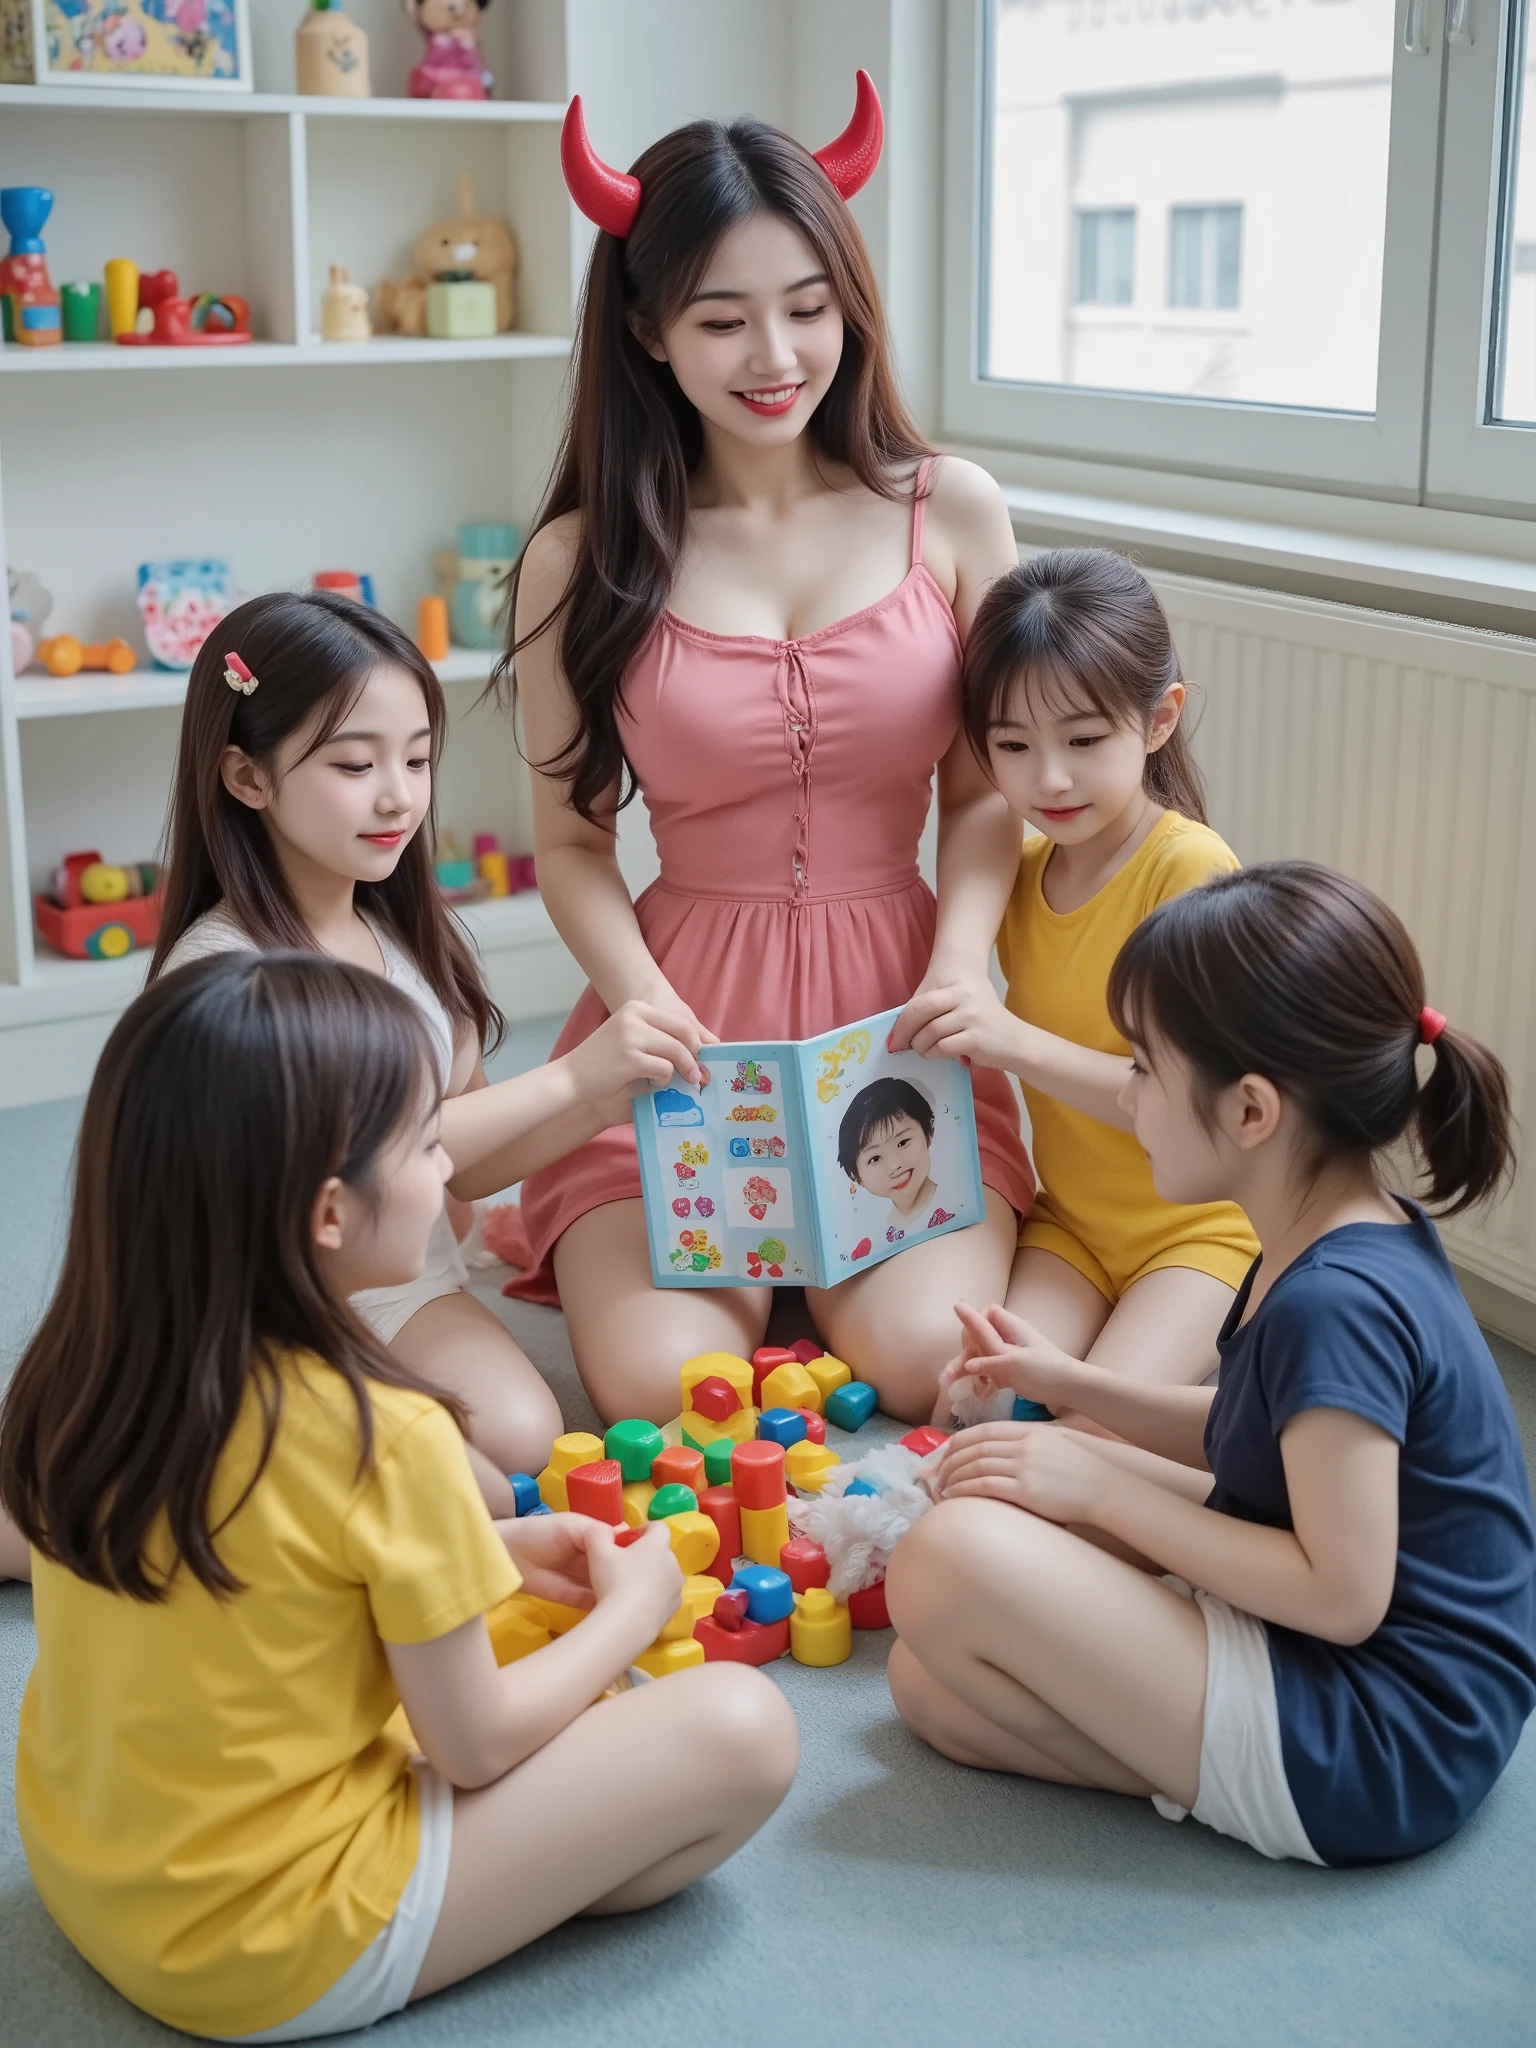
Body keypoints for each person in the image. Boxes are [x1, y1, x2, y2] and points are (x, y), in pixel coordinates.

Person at [0, 953, 797, 2039]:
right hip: (268, 1943)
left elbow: (255, 1576)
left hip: (89, 1864)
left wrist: (498, 1551)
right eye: (428, 1143)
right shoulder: (386, 1432)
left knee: (515, 1634)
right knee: (743, 1728)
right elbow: (474, 1745)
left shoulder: (79, 1368)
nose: (448, 1172)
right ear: (330, 1212)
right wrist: (635, 1606)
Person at [504, 79, 1035, 1424]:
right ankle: (753, 1276)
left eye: (808, 305)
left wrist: (964, 961)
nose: (776, 353)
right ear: (648, 330)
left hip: (898, 1020)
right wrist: (636, 1007)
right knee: (681, 1395)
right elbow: (568, 840)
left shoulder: (950, 509)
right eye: (722, 318)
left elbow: (984, 796)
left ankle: (823, 1278)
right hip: (683, 1039)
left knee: (926, 1366)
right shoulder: (581, 557)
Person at [886, 862, 1536, 1867]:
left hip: (1385, 1732)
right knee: (929, 1686)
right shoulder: (1327, 1229)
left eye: (1141, 1066)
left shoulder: (1337, 1303)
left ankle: (1232, 1772)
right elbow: (1258, 1429)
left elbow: (1342, 1594)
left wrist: (1099, 1481)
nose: (1126, 1093)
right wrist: (1075, 1385)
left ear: (1250, 1113)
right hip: (1348, 1657)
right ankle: (1196, 1752)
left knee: (949, 1556)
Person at [153, 588, 709, 1490]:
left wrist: (607, 1097)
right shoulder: (227, 976)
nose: (398, 797)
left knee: (523, 1438)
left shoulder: (406, 934)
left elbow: (469, 1161)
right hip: (258, 1311)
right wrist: (574, 1080)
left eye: (417, 760)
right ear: (248, 777)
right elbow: (356, 1174)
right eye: (353, 765)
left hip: (401, 1279)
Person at [894, 550, 1258, 1400]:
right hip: (1072, 1227)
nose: (1048, 778)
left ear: (1160, 719)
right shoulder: (1016, 873)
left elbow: (1197, 1105)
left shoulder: (1189, 870)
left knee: (1104, 1428)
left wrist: (1009, 1042)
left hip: (1200, 1233)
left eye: (1085, 741)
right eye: (1012, 745)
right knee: (974, 1402)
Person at [837, 1077, 940, 1238]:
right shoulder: (886, 1226)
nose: (894, 1166)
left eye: (903, 1142)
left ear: (929, 1131)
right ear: (855, 1176)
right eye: (875, 1158)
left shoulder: (949, 1203)